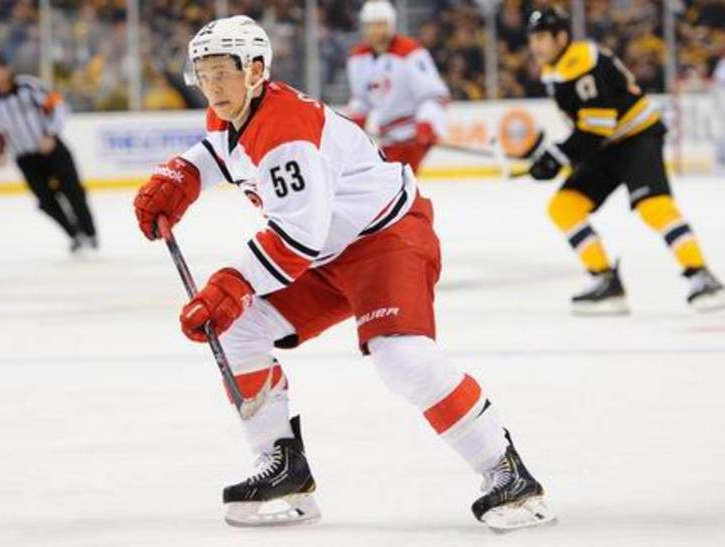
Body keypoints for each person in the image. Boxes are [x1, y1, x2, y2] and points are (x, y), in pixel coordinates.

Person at [133, 15, 554, 531]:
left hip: (385, 239)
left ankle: (508, 473)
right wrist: (183, 176)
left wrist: (232, 283)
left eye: (222, 71)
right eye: (204, 73)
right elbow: (221, 152)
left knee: (401, 357)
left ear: (256, 70)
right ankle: (284, 468)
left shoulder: (286, 130)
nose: (212, 85)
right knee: (240, 327)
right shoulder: (232, 112)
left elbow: (297, 237)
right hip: (325, 251)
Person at [525, 7, 724, 314]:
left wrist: (559, 155)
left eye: (541, 38)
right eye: (532, 39)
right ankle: (605, 280)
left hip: (635, 138)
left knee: (654, 206)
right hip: (605, 146)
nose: (535, 46)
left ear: (561, 37)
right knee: (564, 206)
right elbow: (589, 127)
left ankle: (700, 274)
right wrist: (554, 156)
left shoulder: (582, 61)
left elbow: (597, 126)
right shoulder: (554, 68)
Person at [0, 51, 98, 254]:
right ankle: (74, 235)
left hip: (52, 149)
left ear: (7, 68)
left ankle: (90, 233)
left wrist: (51, 134)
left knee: (73, 191)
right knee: (46, 201)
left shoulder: (28, 86)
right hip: (26, 158)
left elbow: (58, 105)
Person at [345, 0, 449, 173]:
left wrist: (427, 122)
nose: (375, 30)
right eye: (370, 25)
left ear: (390, 25)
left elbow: (435, 95)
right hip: (387, 136)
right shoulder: (357, 58)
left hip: (413, 134)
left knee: (398, 182)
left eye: (380, 24)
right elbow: (361, 99)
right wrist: (355, 121)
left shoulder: (410, 52)